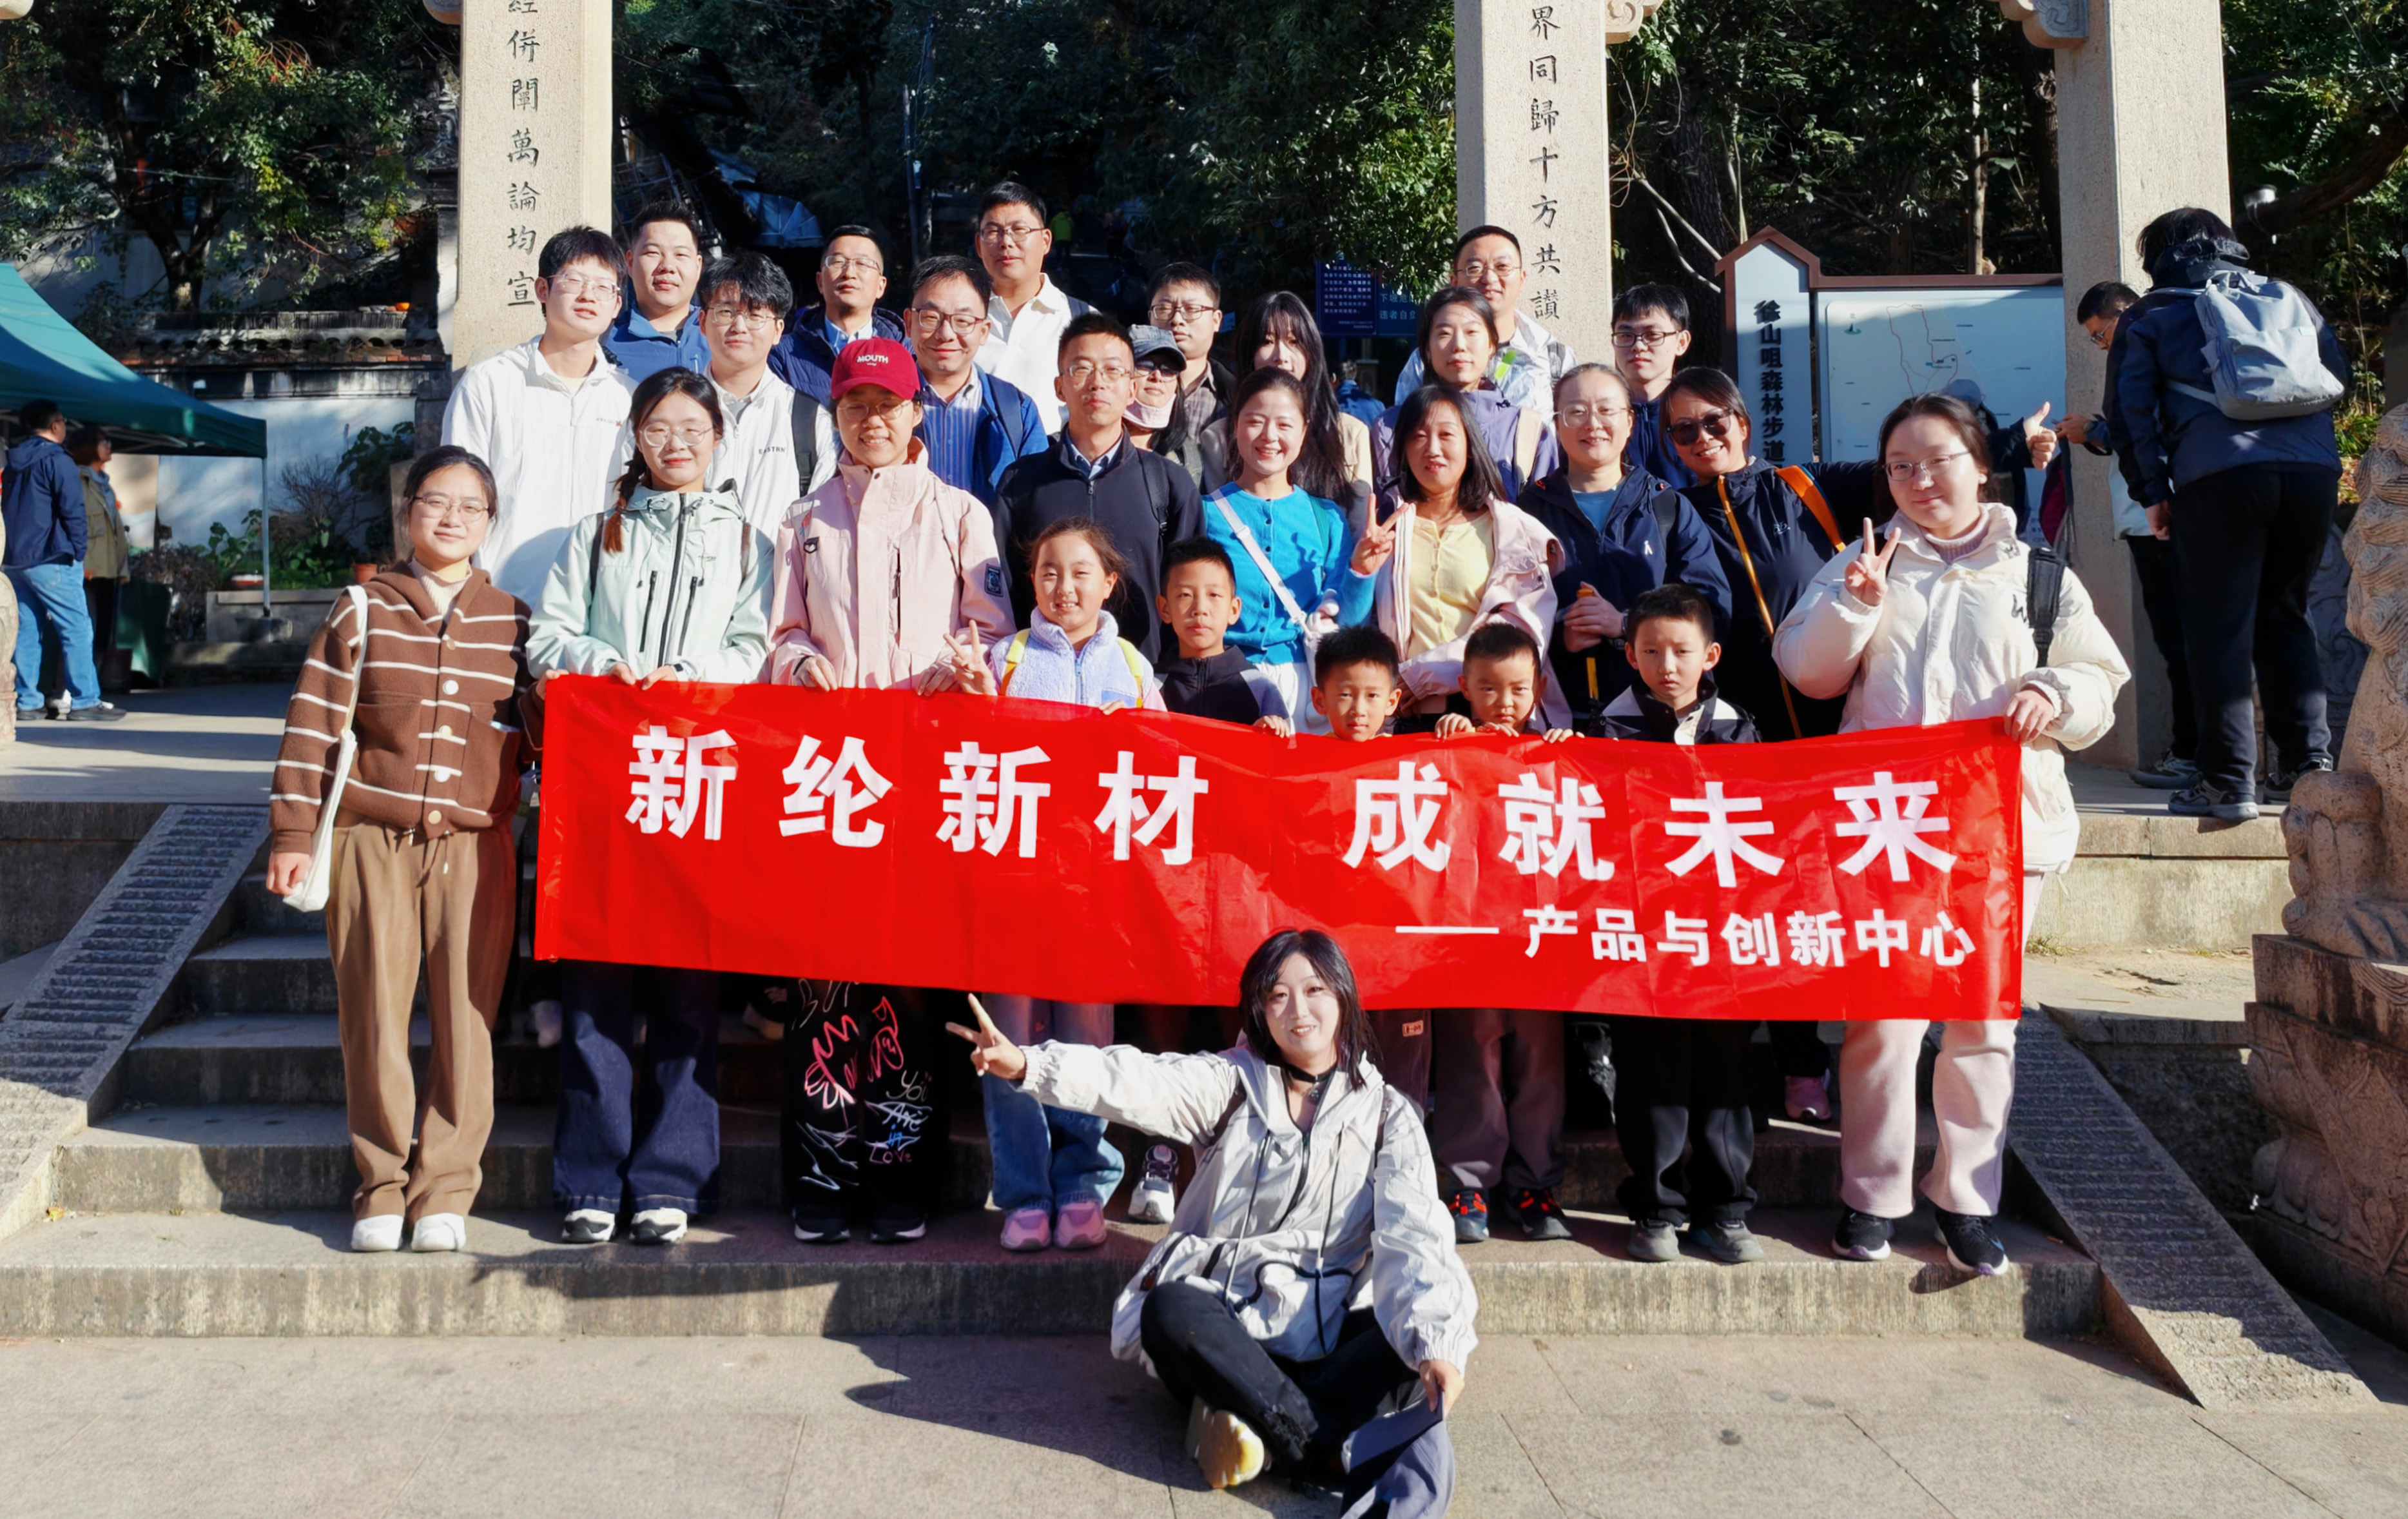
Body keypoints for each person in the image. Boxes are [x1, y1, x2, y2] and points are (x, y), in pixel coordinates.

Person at [1776, 393, 2128, 1273]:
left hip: (2002, 829)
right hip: (1891, 829)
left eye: (1937, 461)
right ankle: (1872, 1195)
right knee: (1882, 1019)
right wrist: (1854, 605)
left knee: (1982, 1021)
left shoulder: (2036, 573)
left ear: (1979, 464)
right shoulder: (1868, 559)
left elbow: (2098, 679)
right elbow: (1806, 671)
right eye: (1900, 467)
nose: (1919, 480)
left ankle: (1967, 1198)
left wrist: (2054, 693)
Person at [950, 928, 1476, 1502]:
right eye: (1278, 996)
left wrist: (1436, 1346)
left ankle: (1256, 1429)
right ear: (1260, 1011)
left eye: (1314, 990)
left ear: (1344, 998)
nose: (1298, 1012)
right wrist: (1027, 1065)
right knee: (1170, 1308)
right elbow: (1136, 1079)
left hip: (1326, 1334)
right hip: (1229, 1332)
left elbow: (1416, 1236)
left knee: (1410, 1345)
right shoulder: (1232, 1084)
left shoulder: (1388, 1116)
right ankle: (1326, 1448)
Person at [525, 368, 774, 1246]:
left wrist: (694, 682)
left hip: (699, 779)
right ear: (636, 437)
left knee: (686, 984)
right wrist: (603, 664)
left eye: (693, 429)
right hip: (603, 780)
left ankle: (672, 1177)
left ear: (719, 439)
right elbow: (547, 637)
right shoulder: (598, 534)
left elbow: (754, 647)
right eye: (659, 428)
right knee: (595, 981)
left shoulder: (748, 542)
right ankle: (590, 1178)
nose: (677, 444)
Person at [266, 442, 534, 1251]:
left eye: (470, 506)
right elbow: (313, 724)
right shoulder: (362, 608)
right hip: (368, 841)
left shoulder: (516, 620)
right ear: (407, 512)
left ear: (490, 521)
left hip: (476, 848)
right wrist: (291, 834)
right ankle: (381, 1184)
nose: (452, 518)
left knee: (467, 1019)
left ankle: (446, 1187)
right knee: (375, 1017)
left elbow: (539, 738)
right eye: (435, 502)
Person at [943, 518, 1161, 1251]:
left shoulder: (1133, 667)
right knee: (1006, 1033)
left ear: (1110, 583)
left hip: (1096, 888)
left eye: (1079, 573)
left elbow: (1163, 766)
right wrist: (979, 702)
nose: (1063, 587)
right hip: (1013, 879)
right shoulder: (1002, 657)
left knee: (1086, 1040)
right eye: (1047, 573)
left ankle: (1081, 1185)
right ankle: (1024, 1192)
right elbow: (964, 763)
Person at [1660, 366, 2059, 746]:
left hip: (1836, 727)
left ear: (1743, 424)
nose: (1703, 437)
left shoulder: (1805, 487)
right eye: (1685, 430)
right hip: (1737, 732)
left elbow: (1908, 472)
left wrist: (2013, 444)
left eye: (1714, 422)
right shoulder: (1672, 516)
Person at [2112, 206, 2348, 821]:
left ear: (2157, 257)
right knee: (2286, 615)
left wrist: (2152, 492)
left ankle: (2226, 782)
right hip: (2312, 475)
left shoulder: (2153, 314)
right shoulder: (2286, 298)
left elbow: (2130, 411)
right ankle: (2305, 769)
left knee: (2219, 627)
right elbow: (2336, 375)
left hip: (2219, 479)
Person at [1585, 582, 1769, 1264]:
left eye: (1682, 651)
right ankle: (1656, 1207)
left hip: (1720, 934)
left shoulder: (1741, 729)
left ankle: (1726, 1209)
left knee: (1725, 1072)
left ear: (1710, 655)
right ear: (1629, 655)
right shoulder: (1603, 731)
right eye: (1652, 651)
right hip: (1642, 936)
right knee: (1651, 1072)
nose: (1668, 665)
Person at [1428, 622, 1574, 1247]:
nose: (1504, 702)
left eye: (1517, 689)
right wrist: (1448, 743)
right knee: (1472, 1056)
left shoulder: (1556, 748)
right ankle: (1469, 1181)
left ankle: (1536, 1182)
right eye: (1487, 689)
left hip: (1541, 932)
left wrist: (1573, 754)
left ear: (1539, 687)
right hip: (1470, 932)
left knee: (1540, 1060)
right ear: (1464, 688)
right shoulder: (1447, 746)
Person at [1517, 364, 1731, 726]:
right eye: (1576, 412)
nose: (1593, 423)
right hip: (1561, 722)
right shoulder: (1528, 513)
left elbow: (1711, 610)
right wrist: (1560, 636)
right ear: (1557, 425)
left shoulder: (1666, 506)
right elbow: (1506, 618)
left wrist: (1626, 624)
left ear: (1630, 422)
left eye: (1607, 410)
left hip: (1662, 720)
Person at [991, 313, 1203, 664]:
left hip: (1143, 679)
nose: (1097, 383)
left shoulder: (1168, 483)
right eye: (1082, 369)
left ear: (1131, 389)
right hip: (1040, 676)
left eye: (1112, 370)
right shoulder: (1021, 482)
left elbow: (1189, 589)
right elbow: (1004, 589)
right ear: (1060, 387)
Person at [443, 226, 636, 605]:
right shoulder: (489, 384)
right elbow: (456, 496)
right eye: (574, 281)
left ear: (616, 305)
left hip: (597, 610)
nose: (588, 295)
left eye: (603, 287)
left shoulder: (629, 398)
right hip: (502, 602)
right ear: (543, 290)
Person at [1200, 369, 1392, 729]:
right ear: (1235, 426)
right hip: (1224, 679)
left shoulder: (1326, 518)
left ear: (1304, 432)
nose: (1269, 436)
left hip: (1304, 688)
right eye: (1255, 421)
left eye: (1284, 425)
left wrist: (1362, 572)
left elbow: (1348, 625)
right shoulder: (1204, 514)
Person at [2068, 280, 2198, 790]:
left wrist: (2096, 432)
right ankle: (2197, 751)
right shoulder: (2160, 348)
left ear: (2126, 312)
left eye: (2101, 334)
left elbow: (2151, 429)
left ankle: (2193, 754)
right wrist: (2098, 433)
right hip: (2153, 518)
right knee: (2179, 639)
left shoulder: (2152, 349)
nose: (2104, 347)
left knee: (2182, 638)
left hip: (2162, 517)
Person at [1373, 385, 1563, 730]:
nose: (1433, 449)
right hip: (1404, 718)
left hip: (1490, 715)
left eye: (1446, 435)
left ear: (1470, 447)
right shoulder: (1386, 529)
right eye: (1418, 436)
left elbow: (1520, 632)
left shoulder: (1511, 530)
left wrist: (1419, 676)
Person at [1307, 625, 1432, 1106]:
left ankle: (1403, 1146)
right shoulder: (1299, 762)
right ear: (1319, 699)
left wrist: (1463, 734)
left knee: (1402, 1069)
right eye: (1344, 695)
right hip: (1330, 945)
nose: (1358, 709)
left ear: (1394, 701)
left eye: (1372, 696)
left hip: (1399, 946)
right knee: (1332, 1063)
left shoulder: (1416, 763)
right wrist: (1268, 740)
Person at [1201, 293, 1376, 520]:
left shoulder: (1350, 434)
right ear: (1249, 353)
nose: (1281, 356)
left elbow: (1359, 526)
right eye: (1267, 341)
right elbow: (1220, 522)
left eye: (1294, 342)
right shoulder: (1218, 438)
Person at [697, 251, 835, 537]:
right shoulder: (671, 412)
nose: (739, 326)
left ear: (778, 331)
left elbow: (820, 530)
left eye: (755, 315)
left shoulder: (809, 422)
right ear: (702, 321)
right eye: (726, 312)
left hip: (775, 568)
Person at [1374, 288, 1558, 499]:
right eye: (1444, 334)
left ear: (1491, 345)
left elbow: (1548, 515)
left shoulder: (1527, 431)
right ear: (1427, 350)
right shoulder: (1391, 428)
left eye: (1471, 332)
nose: (1459, 346)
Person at [4, 400, 121, 721]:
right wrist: (79, 552)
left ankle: (27, 702)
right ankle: (85, 701)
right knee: (76, 628)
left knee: (26, 631)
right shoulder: (58, 459)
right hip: (52, 556)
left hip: (14, 560)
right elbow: (73, 510)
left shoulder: (13, 462)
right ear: (56, 426)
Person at [904, 255, 1047, 508]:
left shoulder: (1017, 411)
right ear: (908, 322)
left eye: (963, 321)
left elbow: (1037, 504)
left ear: (983, 332)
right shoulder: (883, 404)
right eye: (930, 317)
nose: (946, 334)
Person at [1390, 226, 1577, 411]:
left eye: (1502, 267)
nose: (1489, 278)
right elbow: (1405, 425)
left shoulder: (1553, 357)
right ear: (1454, 281)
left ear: (1522, 278)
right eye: (1474, 268)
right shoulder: (1427, 359)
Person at [970, 182, 1093, 433]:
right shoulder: (957, 320)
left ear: (1046, 241)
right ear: (979, 245)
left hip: (1052, 454)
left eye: (1019, 230)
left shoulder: (1083, 321)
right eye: (993, 232)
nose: (1006, 242)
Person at [1154, 536, 1292, 732]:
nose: (1200, 609)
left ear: (1234, 610)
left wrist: (1271, 732)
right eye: (1185, 595)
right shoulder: (1149, 685)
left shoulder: (1259, 687)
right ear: (1165, 608)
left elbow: (1287, 747)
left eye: (1214, 595)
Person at [770, 226, 908, 406]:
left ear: (881, 286)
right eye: (837, 262)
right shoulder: (783, 355)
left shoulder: (909, 353)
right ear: (820, 282)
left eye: (862, 264)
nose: (849, 273)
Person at [603, 202, 713, 382]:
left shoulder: (723, 335)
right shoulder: (604, 346)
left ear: (698, 266)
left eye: (680, 255)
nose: (667, 266)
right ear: (630, 263)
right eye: (653, 253)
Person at [1147, 262, 1234, 482]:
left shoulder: (1238, 397)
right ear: (1150, 318)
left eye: (1192, 310)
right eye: (1164, 309)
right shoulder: (1127, 388)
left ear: (1216, 320)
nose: (1176, 320)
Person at [1611, 284, 1698, 488]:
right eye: (1626, 335)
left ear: (1681, 342)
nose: (1638, 346)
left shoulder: (1703, 415)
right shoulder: (1601, 418)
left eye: (1652, 335)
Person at [68, 426, 130, 678]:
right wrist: (81, 563)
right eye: (103, 442)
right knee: (85, 628)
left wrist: (123, 568)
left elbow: (117, 531)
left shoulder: (105, 485)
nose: (109, 446)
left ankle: (93, 683)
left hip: (109, 568)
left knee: (103, 629)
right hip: (87, 568)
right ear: (88, 447)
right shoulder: (77, 481)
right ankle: (76, 685)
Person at [1125, 324, 1194, 472]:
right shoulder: (1091, 446)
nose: (1157, 376)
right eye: (1145, 365)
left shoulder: (1189, 458)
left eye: (1168, 369)